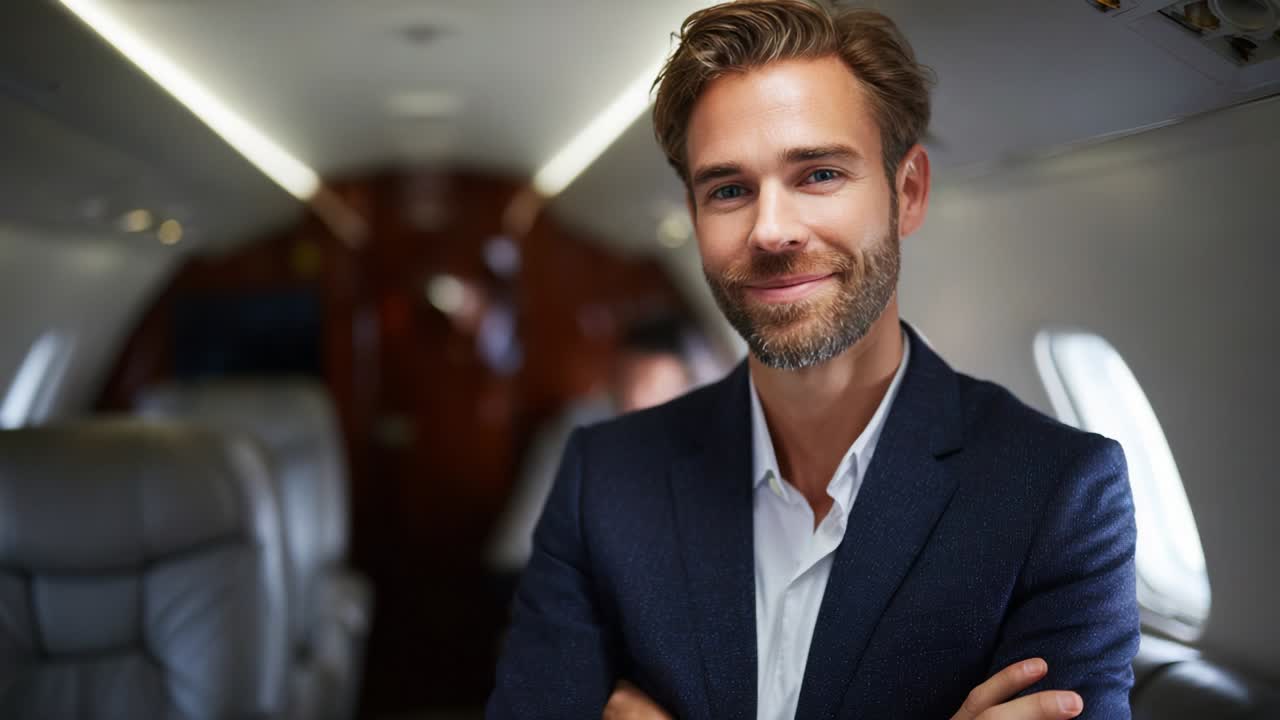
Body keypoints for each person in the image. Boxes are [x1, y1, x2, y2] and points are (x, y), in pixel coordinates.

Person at [488, 2, 1139, 718]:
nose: (771, 230)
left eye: (820, 174)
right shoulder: (603, 482)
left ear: (908, 192)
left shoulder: (1058, 494)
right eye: (729, 189)